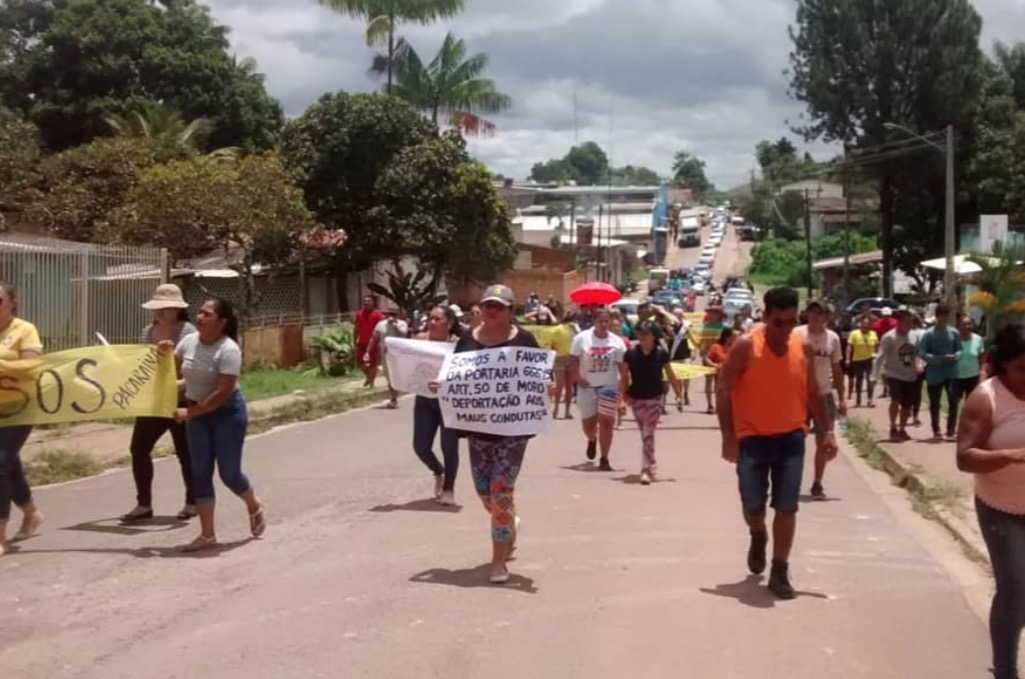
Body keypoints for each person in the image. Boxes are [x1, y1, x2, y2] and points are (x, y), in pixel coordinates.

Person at [716, 287, 836, 600]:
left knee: (787, 506)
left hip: (792, 438)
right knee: (753, 505)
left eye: (790, 321)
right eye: (777, 322)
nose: (784, 329)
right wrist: (728, 437)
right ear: (765, 317)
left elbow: (813, 392)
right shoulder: (745, 346)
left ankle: (780, 569)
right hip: (752, 440)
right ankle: (758, 533)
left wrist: (827, 431)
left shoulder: (804, 347)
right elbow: (723, 388)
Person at [448, 284, 538, 584]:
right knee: (484, 492)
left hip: (512, 433)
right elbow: (454, 377)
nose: (491, 310)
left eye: (499, 306)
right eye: (488, 304)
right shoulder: (467, 341)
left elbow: (538, 380)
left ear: (510, 311)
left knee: (501, 492)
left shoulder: (525, 341)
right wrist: (443, 386)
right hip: (478, 430)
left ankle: (498, 562)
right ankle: (509, 522)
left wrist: (545, 385)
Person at [956, 323, 1025, 679]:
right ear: (1002, 365)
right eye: (1022, 370)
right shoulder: (986, 398)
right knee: (1014, 590)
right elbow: (965, 457)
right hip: (1003, 509)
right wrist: (1013, 455)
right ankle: (1005, 670)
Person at [174, 298, 265, 552]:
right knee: (200, 472)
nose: (200, 317)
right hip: (196, 413)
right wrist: (163, 356)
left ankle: (253, 504)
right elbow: (173, 371)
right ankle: (207, 534)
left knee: (229, 473)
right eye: (199, 312)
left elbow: (222, 393)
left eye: (207, 314)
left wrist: (189, 412)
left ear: (222, 322)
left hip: (226, 414)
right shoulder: (188, 342)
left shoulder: (229, 350)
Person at [121, 284, 198, 523]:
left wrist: (176, 385)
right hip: (154, 402)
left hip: (181, 400)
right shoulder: (148, 332)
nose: (162, 312)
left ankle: (193, 501)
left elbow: (193, 369)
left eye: (168, 307)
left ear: (177, 309)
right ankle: (143, 504)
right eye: (159, 307)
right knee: (139, 448)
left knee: (185, 452)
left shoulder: (188, 332)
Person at [0, 281, 45, 555]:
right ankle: (31, 513)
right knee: (9, 464)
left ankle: (1, 536)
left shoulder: (24, 330)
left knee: (0, 463)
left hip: (20, 409)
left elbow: (33, 366)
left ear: (12, 302)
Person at [795, 300, 846, 500]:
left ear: (827, 318)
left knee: (823, 439)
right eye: (812, 313)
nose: (816, 317)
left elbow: (837, 370)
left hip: (824, 394)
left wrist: (842, 398)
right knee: (795, 441)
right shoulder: (797, 334)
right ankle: (791, 480)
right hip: (799, 394)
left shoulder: (832, 339)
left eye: (820, 314)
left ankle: (817, 482)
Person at [623, 321, 684, 485]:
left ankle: (645, 470)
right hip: (636, 397)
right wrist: (621, 399)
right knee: (644, 434)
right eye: (639, 333)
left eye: (645, 334)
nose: (641, 337)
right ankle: (651, 460)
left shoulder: (661, 353)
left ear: (653, 336)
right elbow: (623, 378)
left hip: (655, 398)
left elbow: (671, 375)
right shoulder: (630, 354)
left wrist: (679, 395)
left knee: (648, 432)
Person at [412, 305, 461, 506]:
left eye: (437, 319)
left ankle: (448, 487)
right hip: (425, 399)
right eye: (430, 318)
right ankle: (438, 471)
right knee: (420, 446)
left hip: (449, 401)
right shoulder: (419, 341)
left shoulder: (459, 345)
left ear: (448, 323)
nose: (432, 322)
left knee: (449, 446)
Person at [571, 307, 628, 471]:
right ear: (594, 321)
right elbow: (572, 360)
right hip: (587, 386)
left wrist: (622, 397)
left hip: (608, 386)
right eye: (600, 321)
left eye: (606, 321)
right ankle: (592, 439)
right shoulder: (582, 338)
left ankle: (604, 458)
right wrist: (577, 378)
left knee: (607, 423)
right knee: (588, 424)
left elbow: (623, 370)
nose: (603, 324)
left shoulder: (617, 342)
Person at [874, 308, 923, 442]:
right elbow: (880, 356)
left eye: (911, 322)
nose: (909, 325)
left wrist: (920, 365)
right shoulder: (889, 337)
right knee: (895, 399)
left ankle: (902, 429)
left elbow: (919, 354)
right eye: (906, 322)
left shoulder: (914, 336)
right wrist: (874, 375)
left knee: (907, 405)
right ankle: (892, 426)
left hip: (910, 374)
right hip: (893, 373)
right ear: (899, 322)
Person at [919, 303, 963, 439]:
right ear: (937, 317)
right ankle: (936, 429)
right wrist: (938, 358)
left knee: (953, 401)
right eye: (941, 316)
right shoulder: (928, 334)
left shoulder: (954, 332)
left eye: (946, 316)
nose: (944, 319)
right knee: (935, 402)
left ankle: (951, 430)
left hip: (951, 372)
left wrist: (956, 356)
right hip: (934, 373)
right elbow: (922, 352)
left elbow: (960, 349)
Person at [366, 307, 409, 408]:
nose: (391, 316)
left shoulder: (402, 324)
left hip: (399, 355)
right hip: (386, 354)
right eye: (389, 314)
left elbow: (404, 334)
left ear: (397, 315)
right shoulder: (381, 325)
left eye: (394, 314)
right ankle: (393, 398)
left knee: (397, 376)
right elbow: (374, 338)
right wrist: (368, 351)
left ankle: (395, 394)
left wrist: (395, 325)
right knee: (390, 377)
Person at [699, 305, 729, 414]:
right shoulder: (705, 327)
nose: (710, 315)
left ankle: (718, 405)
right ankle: (709, 405)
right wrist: (704, 356)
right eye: (709, 312)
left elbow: (727, 344)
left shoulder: (724, 327)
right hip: (708, 357)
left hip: (720, 358)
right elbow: (702, 343)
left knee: (719, 383)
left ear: (718, 315)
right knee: (708, 381)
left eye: (713, 313)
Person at [846, 315, 878, 408]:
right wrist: (848, 359)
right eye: (864, 323)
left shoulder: (873, 333)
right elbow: (849, 347)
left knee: (870, 380)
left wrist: (876, 353)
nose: (865, 325)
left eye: (867, 324)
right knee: (859, 381)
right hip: (857, 360)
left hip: (869, 360)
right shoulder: (854, 333)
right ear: (860, 324)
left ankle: (870, 400)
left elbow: (876, 345)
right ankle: (858, 401)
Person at [549, 311, 577, 420]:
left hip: (563, 357)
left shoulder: (562, 329)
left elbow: (552, 344)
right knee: (566, 387)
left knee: (562, 386)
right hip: (567, 357)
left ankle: (559, 410)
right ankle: (564, 410)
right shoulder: (566, 329)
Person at [354, 296, 384, 387]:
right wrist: (354, 339)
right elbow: (356, 328)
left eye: (369, 301)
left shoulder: (378, 314)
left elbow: (381, 329)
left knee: (373, 363)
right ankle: (369, 376)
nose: (366, 303)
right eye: (365, 301)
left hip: (374, 342)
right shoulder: (359, 314)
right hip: (362, 341)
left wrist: (380, 341)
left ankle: (372, 383)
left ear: (373, 303)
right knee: (359, 363)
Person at [703, 328, 735, 412]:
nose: (734, 339)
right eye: (732, 337)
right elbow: (707, 358)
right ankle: (709, 405)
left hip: (722, 371)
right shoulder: (716, 347)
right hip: (711, 367)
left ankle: (719, 405)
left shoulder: (732, 347)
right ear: (727, 337)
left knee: (719, 388)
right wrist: (714, 365)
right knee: (709, 383)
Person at [957, 315, 985, 402]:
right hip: (956, 377)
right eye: (964, 324)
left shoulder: (978, 339)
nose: (967, 327)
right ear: (959, 325)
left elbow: (981, 358)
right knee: (954, 403)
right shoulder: (954, 339)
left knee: (971, 402)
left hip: (973, 377)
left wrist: (981, 373)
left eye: (969, 324)